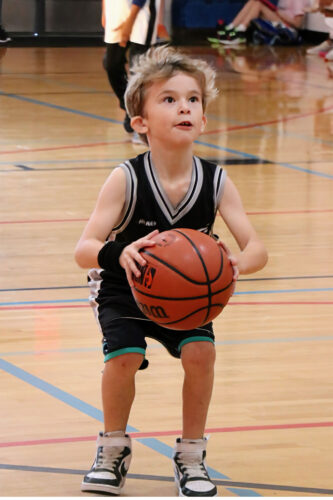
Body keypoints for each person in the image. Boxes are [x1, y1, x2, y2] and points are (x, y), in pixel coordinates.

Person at [75, 45, 268, 497]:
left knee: (201, 355)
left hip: (189, 296)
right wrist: (118, 252)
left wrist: (239, 262)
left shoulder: (216, 180)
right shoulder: (126, 178)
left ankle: (191, 456)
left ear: (202, 119)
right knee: (122, 357)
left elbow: (257, 247)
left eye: (193, 99)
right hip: (124, 288)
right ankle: (113, 448)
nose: (184, 106)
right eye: (169, 99)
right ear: (139, 122)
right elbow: (84, 249)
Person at [102, 0, 168, 143]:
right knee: (111, 64)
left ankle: (141, 125)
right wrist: (104, 10)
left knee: (138, 71)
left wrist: (129, 23)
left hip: (141, 12)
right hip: (117, 11)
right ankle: (129, 106)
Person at [218, 0, 307, 45]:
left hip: (289, 29)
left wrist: (280, 14)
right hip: (280, 20)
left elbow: (298, 24)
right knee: (254, 1)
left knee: (259, 5)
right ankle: (231, 27)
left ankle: (240, 32)